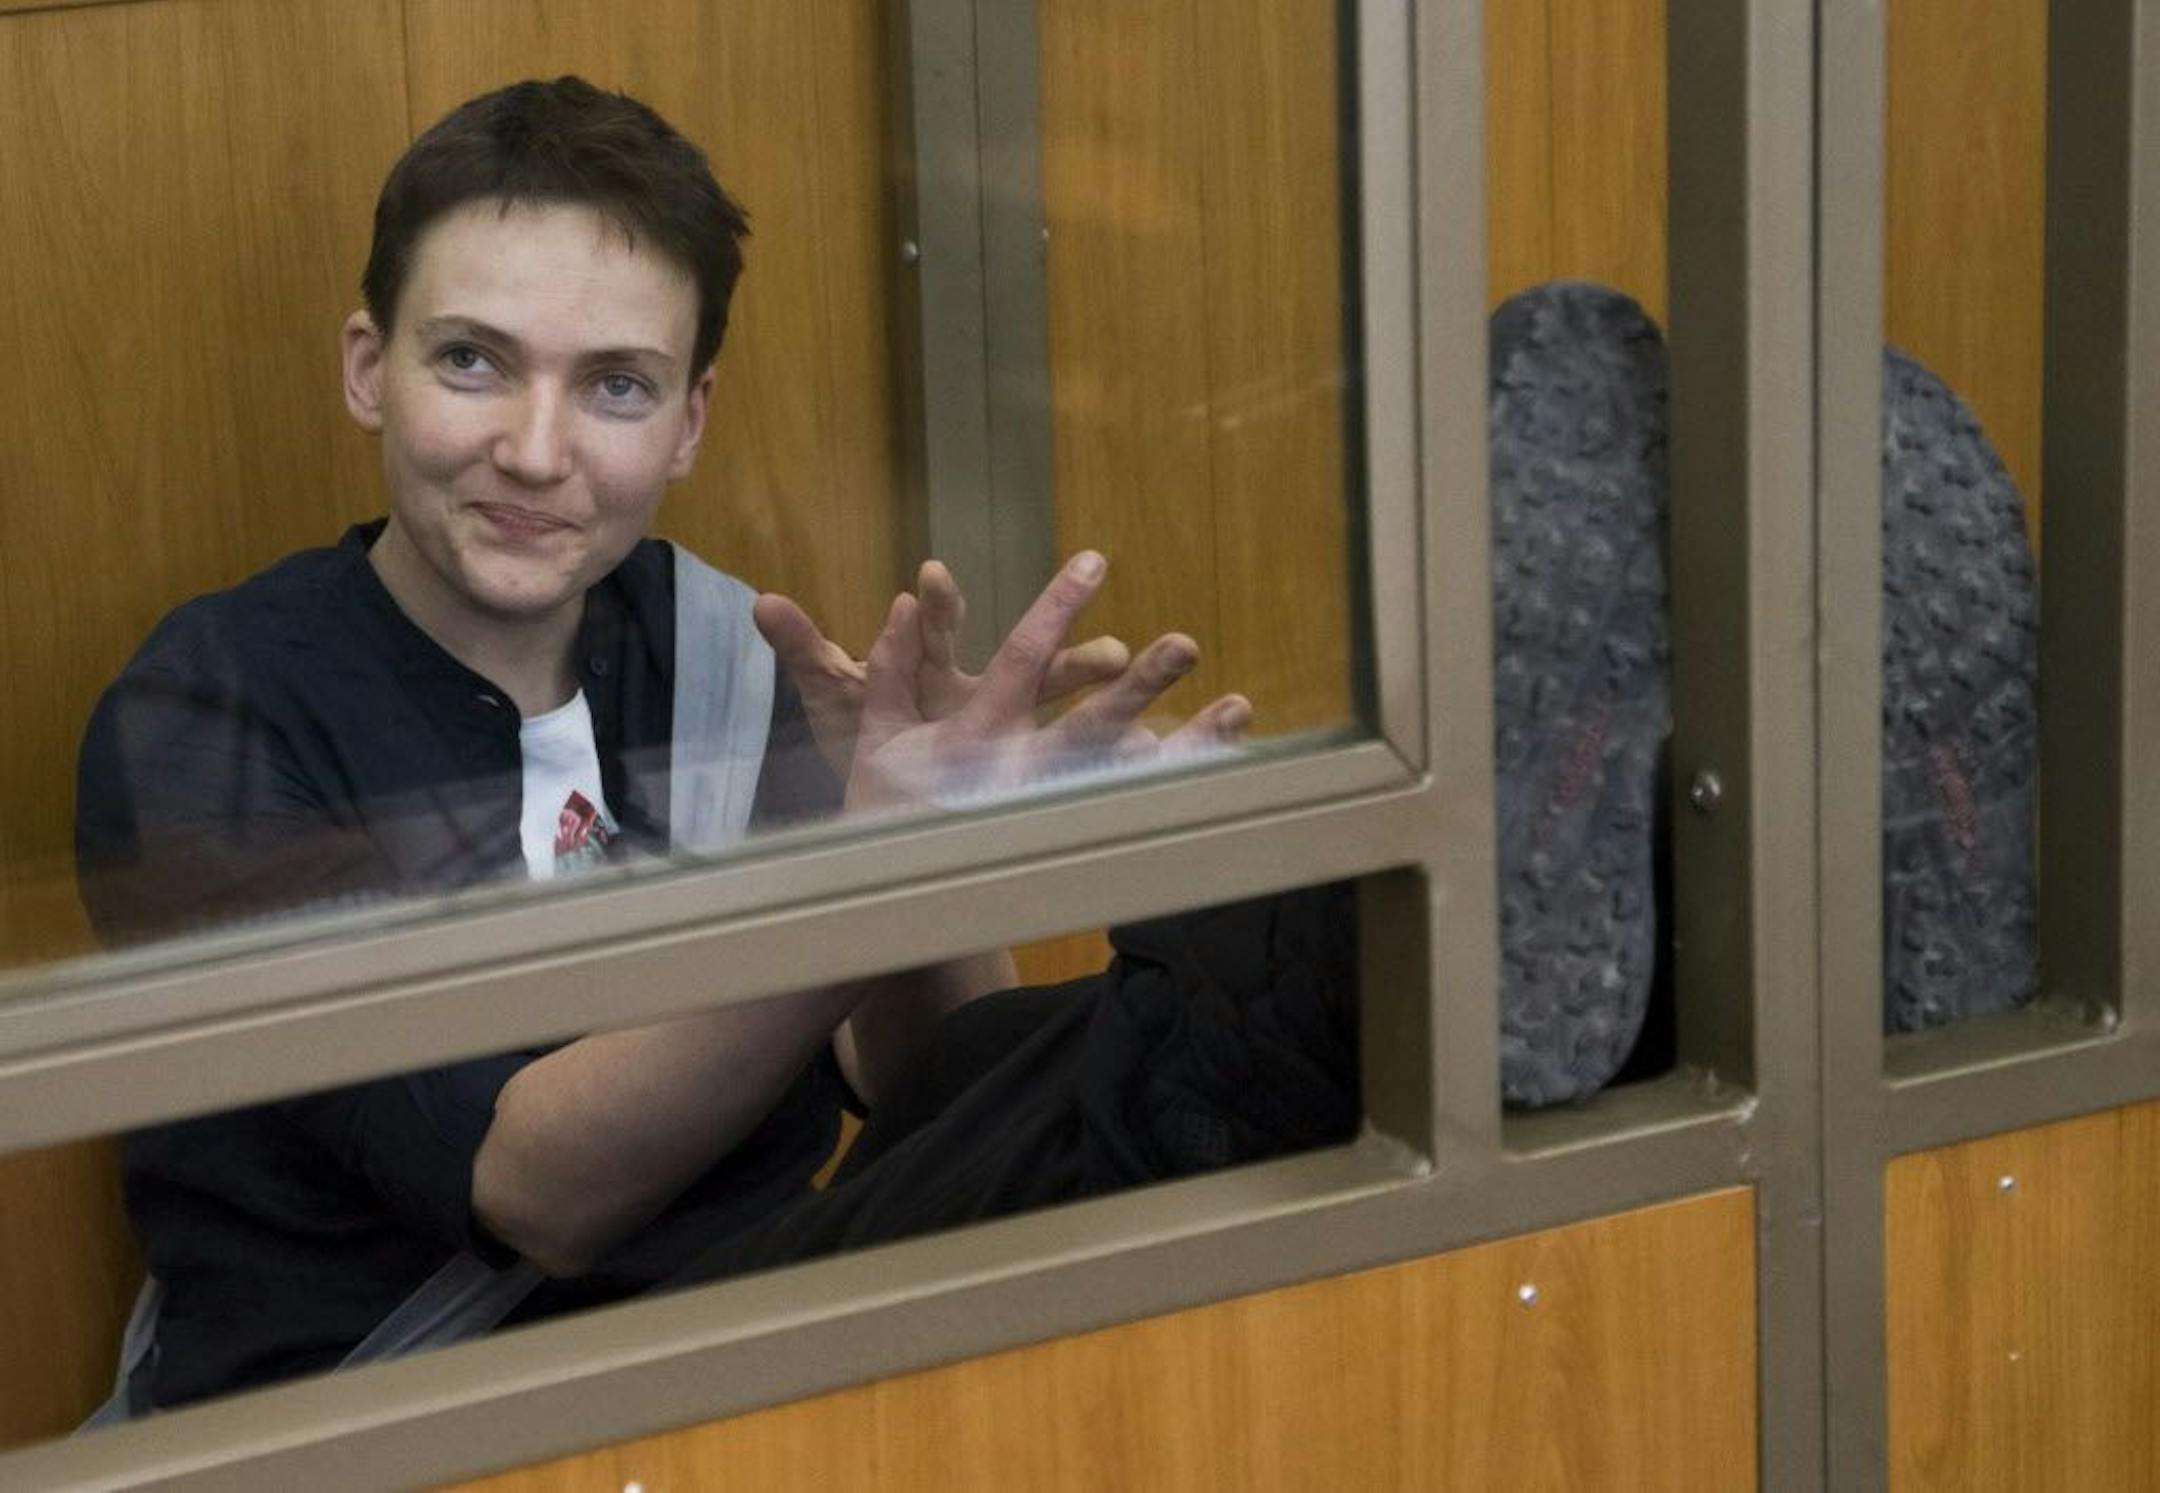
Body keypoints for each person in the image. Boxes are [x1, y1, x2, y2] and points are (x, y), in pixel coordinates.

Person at [75, 76, 1338, 1417]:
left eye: (615, 385)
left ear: (688, 421)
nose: (536, 448)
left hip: (761, 1371)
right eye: (472, 360)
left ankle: (1351, 966)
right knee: (1204, 1035)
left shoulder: (728, 643)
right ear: (366, 366)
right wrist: (869, 867)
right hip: (409, 1417)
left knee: (1133, 1049)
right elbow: (535, 1194)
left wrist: (946, 858)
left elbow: (939, 1089)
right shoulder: (207, 717)